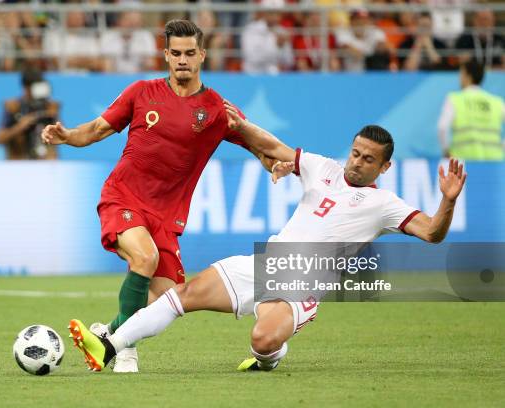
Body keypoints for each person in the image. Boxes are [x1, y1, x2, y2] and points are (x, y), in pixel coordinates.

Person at [67, 122, 467, 373]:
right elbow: (275, 148)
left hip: (301, 288)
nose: (357, 162)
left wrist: (447, 200)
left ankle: (271, 357)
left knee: (263, 341)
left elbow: (432, 233)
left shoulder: (385, 205)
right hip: (266, 263)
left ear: (385, 168)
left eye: (368, 160)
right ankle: (108, 346)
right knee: (182, 295)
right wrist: (237, 123)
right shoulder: (323, 167)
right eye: (356, 152)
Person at [41, 20, 278, 372]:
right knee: (145, 258)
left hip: (166, 218)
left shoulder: (216, 109)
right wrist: (67, 136)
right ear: (166, 55)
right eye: (176, 53)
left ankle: (108, 334)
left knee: (167, 300)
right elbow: (97, 129)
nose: (183, 60)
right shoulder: (141, 93)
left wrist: (273, 164)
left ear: (202, 55)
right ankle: (125, 351)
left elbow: (257, 144)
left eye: (190, 53)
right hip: (123, 196)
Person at [438, 59, 504, 160]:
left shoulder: (454, 99)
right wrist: (502, 147)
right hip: (494, 161)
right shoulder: (496, 102)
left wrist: (446, 151)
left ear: (467, 76)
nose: (459, 78)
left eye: (461, 74)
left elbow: (442, 128)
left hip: (462, 162)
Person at [0, 69, 59, 160]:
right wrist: (20, 126)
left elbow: (61, 138)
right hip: (19, 164)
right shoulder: (13, 107)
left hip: (45, 164)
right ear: (25, 88)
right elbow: (0, 138)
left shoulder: (49, 107)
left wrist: (52, 119)